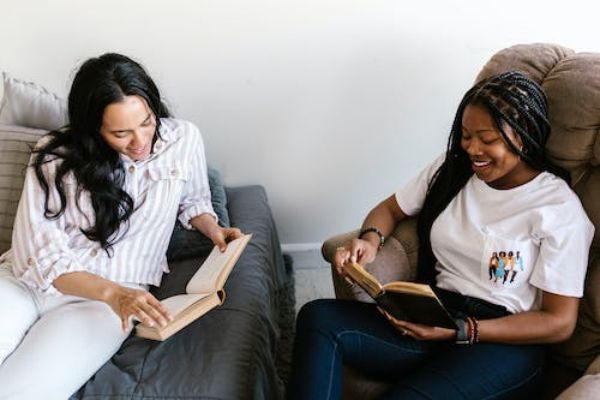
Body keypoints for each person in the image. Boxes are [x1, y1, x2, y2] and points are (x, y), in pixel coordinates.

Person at [288, 71, 594, 399]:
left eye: (486, 139)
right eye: (466, 135)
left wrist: (462, 331)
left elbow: (559, 322)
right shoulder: (452, 171)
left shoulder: (557, 209)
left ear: (524, 136)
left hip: (504, 343)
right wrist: (370, 240)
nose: (472, 148)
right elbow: (389, 209)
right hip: (436, 313)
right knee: (319, 318)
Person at [0, 53, 242, 399]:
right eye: (121, 133)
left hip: (102, 307)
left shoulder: (184, 139)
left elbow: (193, 200)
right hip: (26, 284)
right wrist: (114, 293)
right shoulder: (54, 154)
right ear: (94, 129)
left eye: (146, 122)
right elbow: (36, 253)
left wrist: (212, 228)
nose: (140, 141)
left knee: (21, 392)